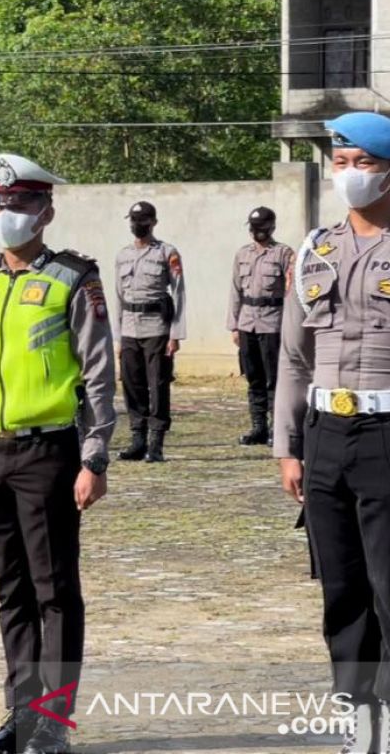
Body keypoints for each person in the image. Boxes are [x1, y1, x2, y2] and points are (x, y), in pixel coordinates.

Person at [0, 153, 115, 754]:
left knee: (54, 590)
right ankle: (19, 714)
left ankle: (55, 721)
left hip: (47, 452)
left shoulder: (73, 278)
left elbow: (98, 373)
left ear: (46, 210)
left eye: (20, 203)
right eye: (0, 203)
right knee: (11, 590)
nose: (8, 214)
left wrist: (94, 457)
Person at [276, 111, 390, 752]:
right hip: (326, 433)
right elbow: (292, 359)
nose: (347, 175)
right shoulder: (314, 250)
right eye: (339, 163)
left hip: (387, 431)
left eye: (362, 164)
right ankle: (358, 713)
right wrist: (287, 447)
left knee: (389, 586)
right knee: (342, 587)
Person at [113, 201, 186, 463]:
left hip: (157, 327)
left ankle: (156, 443)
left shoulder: (167, 253)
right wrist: (118, 337)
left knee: (158, 384)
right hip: (130, 327)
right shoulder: (122, 255)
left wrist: (175, 334)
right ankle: (137, 439)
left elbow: (178, 294)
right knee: (132, 385)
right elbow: (118, 298)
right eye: (134, 220)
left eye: (143, 221)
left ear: (153, 222)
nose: (138, 225)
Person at [228, 207, 294, 446]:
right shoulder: (242, 254)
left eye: (261, 228)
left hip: (273, 323)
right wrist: (234, 325)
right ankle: (258, 426)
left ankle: (277, 427)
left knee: (274, 378)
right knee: (253, 377)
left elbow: (291, 292)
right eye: (253, 228)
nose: (257, 232)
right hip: (248, 323)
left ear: (271, 228)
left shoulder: (283, 253)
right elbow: (235, 290)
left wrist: (290, 326)